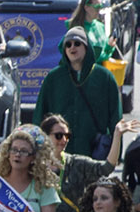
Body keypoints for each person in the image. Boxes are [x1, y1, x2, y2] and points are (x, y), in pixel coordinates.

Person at [37, 28, 121, 160]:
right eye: (68, 44)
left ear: (87, 47)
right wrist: (38, 149)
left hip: (94, 153)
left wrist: (116, 151)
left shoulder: (104, 77)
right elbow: (40, 115)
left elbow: (116, 116)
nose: (72, 47)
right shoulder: (53, 78)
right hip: (59, 154)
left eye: (77, 43)